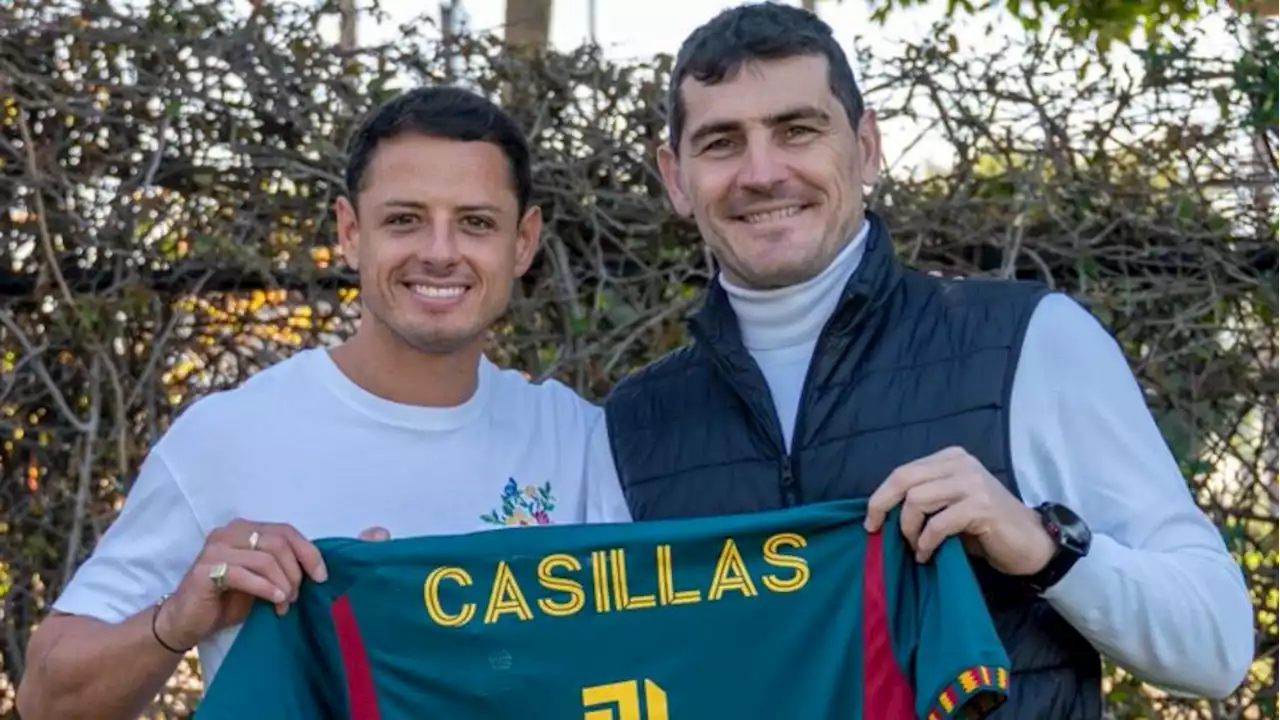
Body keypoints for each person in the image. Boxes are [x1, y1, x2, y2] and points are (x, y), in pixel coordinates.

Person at [592, 3, 1256, 717]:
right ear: (675, 177)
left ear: (867, 145)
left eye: (798, 130)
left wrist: (1043, 546)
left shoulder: (1029, 342)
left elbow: (1215, 646)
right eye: (721, 142)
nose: (762, 172)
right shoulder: (632, 426)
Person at [16, 86, 632, 720]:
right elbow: (44, 701)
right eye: (404, 219)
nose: (441, 252)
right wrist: (175, 621)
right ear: (349, 232)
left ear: (523, 242)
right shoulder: (228, 437)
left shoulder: (576, 439)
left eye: (476, 222)